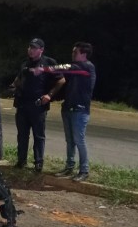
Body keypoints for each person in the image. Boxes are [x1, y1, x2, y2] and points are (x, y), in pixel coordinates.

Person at [30, 41, 96, 182]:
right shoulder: (76, 67)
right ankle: (69, 167)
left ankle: (84, 170)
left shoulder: (87, 67)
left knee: (79, 140)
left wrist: (44, 69)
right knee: (70, 140)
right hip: (68, 109)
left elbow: (66, 68)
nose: (72, 54)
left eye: (75, 52)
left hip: (80, 110)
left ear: (84, 54)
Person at [10, 38, 65, 172]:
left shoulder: (49, 63)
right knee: (22, 135)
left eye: (34, 48)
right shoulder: (25, 63)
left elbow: (61, 80)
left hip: (38, 106)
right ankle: (21, 161)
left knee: (38, 136)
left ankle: (38, 163)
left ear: (41, 50)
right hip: (22, 104)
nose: (31, 50)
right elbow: (19, 78)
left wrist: (49, 95)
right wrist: (13, 86)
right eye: (30, 47)